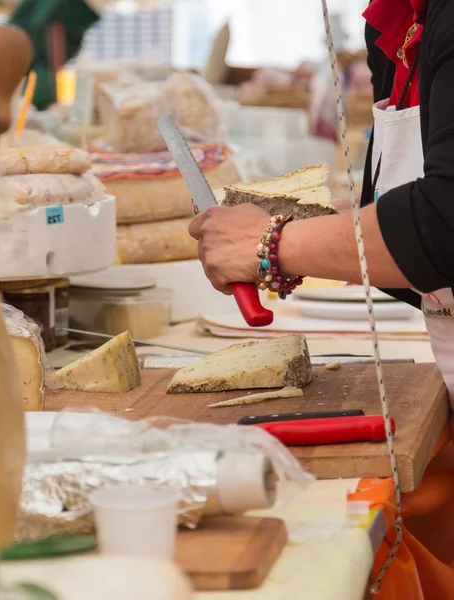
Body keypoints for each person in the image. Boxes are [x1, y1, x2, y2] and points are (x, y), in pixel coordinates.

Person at [189, 0, 454, 596]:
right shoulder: (396, 21)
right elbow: (401, 224)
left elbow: (443, 224)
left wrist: (273, 244)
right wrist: (294, 231)